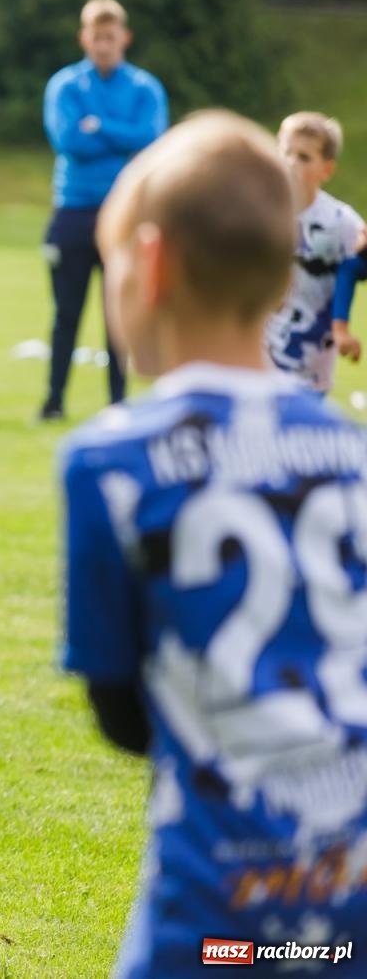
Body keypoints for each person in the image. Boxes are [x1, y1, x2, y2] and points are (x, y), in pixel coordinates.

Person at [59, 110, 367, 977]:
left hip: (220, 913)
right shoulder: (354, 451)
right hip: (350, 901)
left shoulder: (109, 460)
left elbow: (120, 711)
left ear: (149, 264)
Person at [38, 0, 167, 422]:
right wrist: (120, 139)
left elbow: (150, 140)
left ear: (124, 38)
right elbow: (69, 142)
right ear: (84, 38)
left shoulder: (146, 88)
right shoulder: (65, 86)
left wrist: (100, 126)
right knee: (66, 313)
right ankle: (54, 401)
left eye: (110, 37)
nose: (103, 45)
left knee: (121, 313)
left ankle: (118, 405)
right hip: (74, 212)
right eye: (96, 37)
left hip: (127, 216)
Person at [262, 112, 366, 394]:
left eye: (304, 157)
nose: (291, 163)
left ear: (327, 170)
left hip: (309, 365)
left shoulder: (340, 222)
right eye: (286, 152)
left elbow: (357, 263)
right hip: (259, 351)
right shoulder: (263, 211)